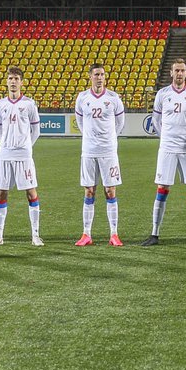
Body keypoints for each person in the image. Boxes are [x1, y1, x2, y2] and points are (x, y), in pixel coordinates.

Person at [141, 58, 186, 246]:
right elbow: (156, 121)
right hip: (167, 148)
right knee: (162, 188)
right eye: (177, 70)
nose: (179, 73)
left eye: (182, 70)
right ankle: (154, 234)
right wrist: (165, 138)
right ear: (171, 73)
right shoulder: (162, 94)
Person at [0, 67, 43, 246]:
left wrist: (25, 146)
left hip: (24, 154)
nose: (13, 82)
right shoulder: (0, 104)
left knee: (31, 191)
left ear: (21, 82)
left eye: (16, 79)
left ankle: (35, 235)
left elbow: (36, 130)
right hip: (5, 154)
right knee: (1, 192)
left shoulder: (29, 104)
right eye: (10, 78)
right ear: (7, 81)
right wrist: (6, 143)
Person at [74, 63, 125, 247]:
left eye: (102, 74)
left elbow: (120, 123)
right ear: (90, 77)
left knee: (110, 191)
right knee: (89, 190)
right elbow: (80, 122)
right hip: (89, 151)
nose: (99, 77)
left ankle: (114, 234)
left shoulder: (113, 98)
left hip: (108, 151)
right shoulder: (82, 98)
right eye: (96, 74)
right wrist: (91, 138)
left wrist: (107, 139)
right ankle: (86, 234)